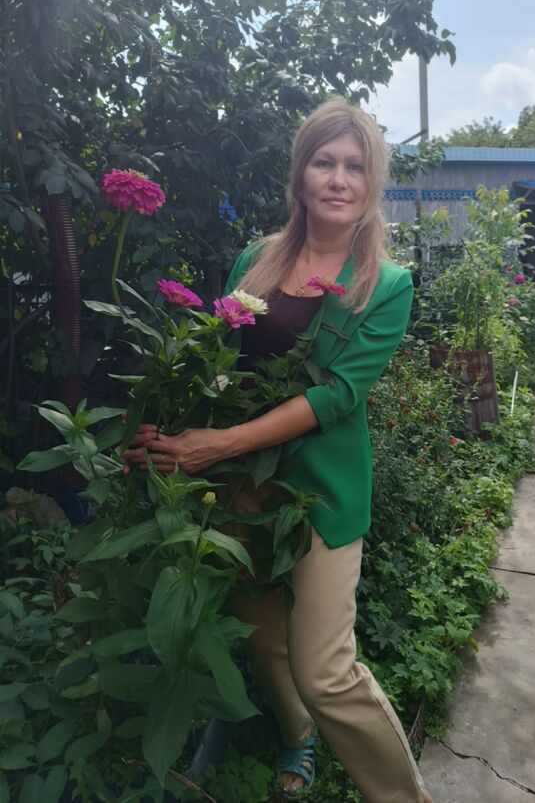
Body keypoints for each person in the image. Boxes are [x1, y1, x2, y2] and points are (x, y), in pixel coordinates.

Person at [123, 100, 433, 803]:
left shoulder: (385, 285)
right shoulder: (256, 261)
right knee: (264, 640)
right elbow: (219, 365)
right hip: (241, 487)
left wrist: (216, 445)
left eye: (355, 166)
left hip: (319, 494)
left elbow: (336, 397)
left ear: (372, 183)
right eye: (324, 162)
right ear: (300, 175)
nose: (338, 179)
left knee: (326, 671)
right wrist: (166, 431)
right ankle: (298, 736)